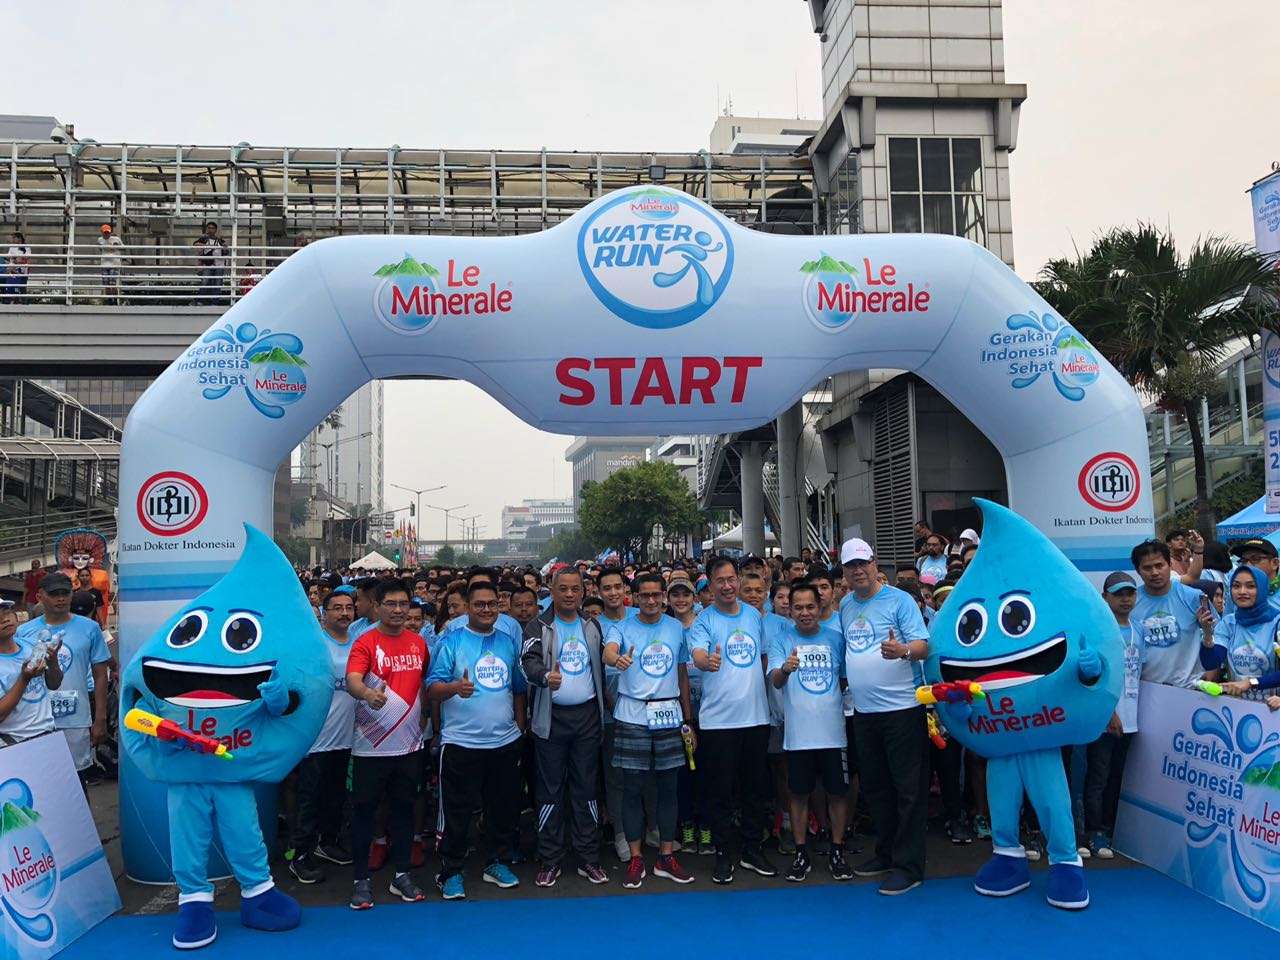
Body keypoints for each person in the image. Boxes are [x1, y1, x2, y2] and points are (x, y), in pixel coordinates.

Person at [839, 537, 931, 895]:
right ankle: (887, 852)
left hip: (902, 710)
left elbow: (924, 645)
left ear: (875, 563)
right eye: (851, 566)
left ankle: (909, 866)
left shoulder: (900, 600)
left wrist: (903, 650)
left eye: (863, 563)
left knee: (908, 790)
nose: (858, 570)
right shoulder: (846, 604)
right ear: (844, 572)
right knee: (877, 788)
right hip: (865, 713)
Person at [427, 581, 527, 900]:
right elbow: (432, 688)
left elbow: (518, 688)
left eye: (492, 604)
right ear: (468, 607)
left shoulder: (507, 641)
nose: (486, 609)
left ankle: (496, 861)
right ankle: (451, 870)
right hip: (461, 742)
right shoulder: (452, 640)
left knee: (502, 809)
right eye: (479, 604)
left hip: (504, 742)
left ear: (499, 606)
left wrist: (519, 727)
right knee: (457, 812)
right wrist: (455, 688)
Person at [603, 573, 696, 887]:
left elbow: (682, 673)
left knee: (669, 787)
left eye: (657, 595)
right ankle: (636, 857)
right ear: (635, 597)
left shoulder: (675, 628)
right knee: (632, 788)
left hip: (669, 715)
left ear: (664, 597)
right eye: (645, 595)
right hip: (632, 715)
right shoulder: (622, 627)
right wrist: (617, 659)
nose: (652, 600)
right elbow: (608, 652)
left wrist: (688, 719)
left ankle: (666, 857)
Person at [688, 557, 776, 883]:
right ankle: (723, 853)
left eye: (730, 579)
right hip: (717, 723)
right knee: (720, 792)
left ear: (737, 580)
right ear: (710, 585)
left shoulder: (753, 615)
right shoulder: (703, 621)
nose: (726, 586)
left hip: (756, 718)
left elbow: (763, 657)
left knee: (755, 789)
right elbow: (697, 654)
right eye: (719, 581)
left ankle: (752, 849)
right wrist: (705, 661)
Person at [520, 568, 608, 887]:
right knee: (550, 791)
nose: (570, 595)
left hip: (587, 718)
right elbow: (527, 661)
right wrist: (544, 675)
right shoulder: (538, 625)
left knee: (586, 789)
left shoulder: (592, 625)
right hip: (551, 720)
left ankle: (589, 858)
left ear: (583, 592)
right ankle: (550, 859)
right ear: (551, 591)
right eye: (563, 589)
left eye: (575, 589)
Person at [345, 580, 430, 909]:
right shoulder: (365, 642)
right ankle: (360, 880)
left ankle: (402, 875)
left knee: (404, 811)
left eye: (403, 604)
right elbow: (353, 680)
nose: (398, 610)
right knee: (365, 813)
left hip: (409, 747)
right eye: (391, 604)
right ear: (377, 606)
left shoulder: (418, 643)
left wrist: (425, 719)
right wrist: (367, 694)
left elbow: (421, 684)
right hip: (371, 747)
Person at [767, 582, 853, 882]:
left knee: (837, 794)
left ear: (820, 607)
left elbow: (844, 680)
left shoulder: (836, 639)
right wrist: (786, 669)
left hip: (833, 733)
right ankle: (801, 852)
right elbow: (776, 680)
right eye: (798, 607)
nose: (804, 612)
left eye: (810, 607)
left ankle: (837, 850)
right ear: (790, 610)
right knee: (799, 795)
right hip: (798, 736)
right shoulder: (781, 640)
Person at [16, 573, 110, 784]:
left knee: (76, 783)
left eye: (65, 593)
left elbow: (100, 675)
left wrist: (100, 718)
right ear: (40, 596)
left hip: (75, 719)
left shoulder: (90, 628)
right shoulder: (24, 632)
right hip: (35, 723)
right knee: (41, 783)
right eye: (54, 594)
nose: (60, 599)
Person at [290, 590, 357, 884]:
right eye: (337, 608)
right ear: (324, 612)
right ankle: (300, 855)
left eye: (349, 608)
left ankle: (327, 843)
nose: (344, 613)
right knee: (309, 800)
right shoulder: (314, 645)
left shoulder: (358, 643)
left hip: (347, 737)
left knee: (335, 798)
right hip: (316, 738)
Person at [1083, 572, 1142, 859]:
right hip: (1106, 719)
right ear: (1105, 597)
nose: (1125, 599)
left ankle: (1110, 830)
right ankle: (1093, 832)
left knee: (1117, 778)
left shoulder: (1139, 630)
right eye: (1118, 594)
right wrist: (1109, 712)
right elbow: (1094, 679)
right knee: (1098, 777)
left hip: (1132, 720)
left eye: (1129, 593)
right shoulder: (1099, 632)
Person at [1130, 539, 1213, 688]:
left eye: (1159, 565)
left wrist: (1211, 675)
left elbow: (1217, 635)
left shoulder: (1194, 597)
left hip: (1190, 689)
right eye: (1147, 568)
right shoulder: (1131, 603)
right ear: (1138, 571)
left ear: (1170, 565)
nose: (1154, 572)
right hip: (1147, 691)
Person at [1202, 565, 1280, 701]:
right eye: (1236, 586)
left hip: (1272, 708)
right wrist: (1207, 635)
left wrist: (1251, 683)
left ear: (1262, 589)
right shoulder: (1228, 623)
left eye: (1250, 586)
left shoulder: (1277, 622)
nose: (1242, 591)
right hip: (1237, 707)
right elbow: (1211, 663)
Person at [0, 598, 64, 745]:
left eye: (7, 612)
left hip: (49, 733)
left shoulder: (33, 645)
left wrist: (53, 661)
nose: (5, 619)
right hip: (14, 742)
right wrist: (24, 679)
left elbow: (54, 684)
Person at [193, 221, 227, 303]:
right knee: (205, 282)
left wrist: (222, 244)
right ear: (207, 229)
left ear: (216, 230)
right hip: (208, 264)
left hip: (219, 264)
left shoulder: (220, 240)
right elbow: (195, 245)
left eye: (212, 228)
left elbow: (226, 249)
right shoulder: (204, 239)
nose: (210, 230)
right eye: (209, 228)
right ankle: (200, 301)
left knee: (218, 283)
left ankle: (214, 302)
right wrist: (207, 245)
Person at [97, 224, 124, 304]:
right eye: (105, 232)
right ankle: (109, 300)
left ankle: (115, 300)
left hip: (114, 263)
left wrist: (117, 246)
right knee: (106, 284)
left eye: (108, 232)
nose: (106, 234)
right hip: (104, 264)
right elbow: (100, 249)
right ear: (102, 232)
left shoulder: (116, 239)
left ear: (110, 232)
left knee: (113, 283)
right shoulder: (100, 240)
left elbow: (124, 248)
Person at [4, 232, 30, 302]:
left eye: (14, 238)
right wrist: (12, 261)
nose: (12, 239)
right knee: (10, 286)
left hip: (22, 270)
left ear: (19, 238)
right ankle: (11, 301)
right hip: (12, 269)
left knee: (22, 288)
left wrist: (16, 260)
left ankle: (23, 302)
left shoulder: (26, 247)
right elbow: (8, 257)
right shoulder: (12, 247)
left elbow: (25, 258)